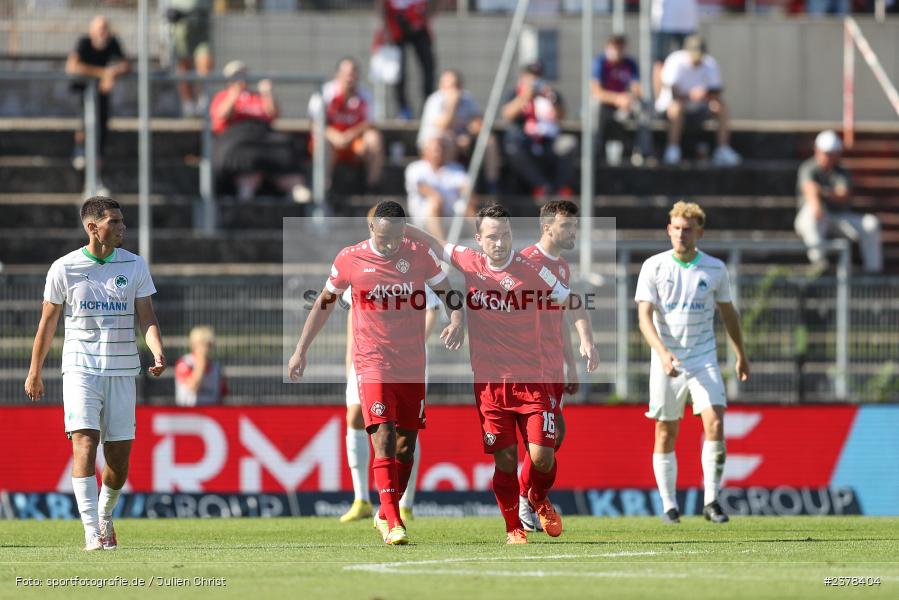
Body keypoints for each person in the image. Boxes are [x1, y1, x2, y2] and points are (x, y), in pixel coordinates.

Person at [406, 204, 599, 544]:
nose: (500, 242)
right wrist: (398, 229)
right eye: (493, 236)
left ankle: (538, 497)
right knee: (506, 460)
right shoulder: (470, 261)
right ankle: (514, 528)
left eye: (506, 235)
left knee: (542, 454)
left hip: (532, 379)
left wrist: (587, 341)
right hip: (490, 384)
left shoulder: (533, 270)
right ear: (479, 239)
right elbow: (435, 245)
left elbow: (574, 302)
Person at [288, 201, 464, 545]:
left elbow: (447, 293)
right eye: (383, 239)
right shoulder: (350, 258)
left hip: (412, 363)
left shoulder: (418, 255)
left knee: (405, 446)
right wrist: (300, 349)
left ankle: (385, 511)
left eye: (396, 238)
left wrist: (457, 319)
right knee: (382, 435)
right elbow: (324, 303)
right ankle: (393, 520)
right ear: (372, 230)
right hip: (372, 361)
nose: (389, 245)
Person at [25, 196, 166, 551]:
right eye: (114, 222)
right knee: (84, 444)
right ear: (93, 227)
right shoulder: (64, 267)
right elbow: (48, 323)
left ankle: (105, 515)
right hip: (80, 370)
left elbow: (146, 316)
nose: (122, 228)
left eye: (121, 221)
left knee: (118, 460)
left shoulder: (134, 265)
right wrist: (35, 371)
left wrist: (158, 349)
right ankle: (91, 530)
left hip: (122, 372)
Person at [635, 201, 750, 525]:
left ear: (699, 232)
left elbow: (729, 314)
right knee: (665, 431)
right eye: (676, 228)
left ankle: (711, 501)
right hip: (666, 358)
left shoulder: (714, 269)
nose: (681, 234)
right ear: (668, 230)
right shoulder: (654, 266)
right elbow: (644, 316)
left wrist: (741, 353)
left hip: (703, 359)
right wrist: (661, 352)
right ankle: (670, 505)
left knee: (715, 421)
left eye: (687, 229)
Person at [338, 206, 440, 524]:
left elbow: (435, 306)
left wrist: (413, 342)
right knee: (359, 417)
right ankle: (361, 499)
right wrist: (348, 357)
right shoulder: (358, 261)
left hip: (408, 357)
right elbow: (353, 313)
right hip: (369, 357)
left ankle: (403, 501)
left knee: (405, 434)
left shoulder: (416, 261)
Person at [517, 200, 580, 532]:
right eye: (567, 226)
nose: (573, 231)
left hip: (555, 366)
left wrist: (571, 364)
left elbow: (562, 322)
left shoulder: (563, 267)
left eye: (574, 226)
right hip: (532, 367)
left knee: (556, 438)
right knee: (543, 446)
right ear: (547, 227)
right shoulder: (526, 262)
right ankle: (527, 496)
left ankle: (529, 493)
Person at [209, 61, 310, 202]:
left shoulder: (257, 96)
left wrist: (267, 92)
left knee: (285, 146)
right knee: (246, 158)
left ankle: (295, 188)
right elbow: (221, 115)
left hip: (262, 137)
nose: (242, 78)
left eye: (244, 75)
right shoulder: (222, 96)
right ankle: (246, 193)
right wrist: (234, 94)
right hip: (237, 138)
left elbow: (274, 114)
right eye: (237, 76)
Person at [794, 130, 882, 275]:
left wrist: (821, 192)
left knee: (871, 224)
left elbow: (843, 194)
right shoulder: (808, 167)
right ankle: (819, 262)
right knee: (812, 212)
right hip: (812, 220)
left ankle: (873, 273)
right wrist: (817, 201)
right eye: (825, 153)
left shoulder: (841, 171)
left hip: (838, 218)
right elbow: (809, 190)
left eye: (832, 153)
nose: (828, 157)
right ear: (817, 150)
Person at [66, 15, 130, 193]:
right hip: (82, 90)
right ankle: (79, 149)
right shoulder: (84, 42)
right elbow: (72, 66)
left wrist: (112, 73)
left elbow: (126, 65)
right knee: (85, 122)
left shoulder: (112, 42)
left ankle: (95, 179)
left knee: (101, 129)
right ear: (92, 30)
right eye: (100, 28)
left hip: (100, 92)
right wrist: (103, 73)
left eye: (106, 28)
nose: (104, 32)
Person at [655, 36, 741, 167]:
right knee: (676, 108)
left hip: (699, 108)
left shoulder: (709, 63)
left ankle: (722, 149)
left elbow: (717, 91)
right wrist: (691, 95)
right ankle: (673, 149)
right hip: (673, 108)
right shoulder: (675, 61)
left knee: (721, 107)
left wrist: (705, 94)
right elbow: (674, 93)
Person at [418, 70, 501, 192]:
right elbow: (442, 126)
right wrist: (452, 105)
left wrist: (469, 133)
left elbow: (479, 123)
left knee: (489, 140)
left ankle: (492, 184)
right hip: (434, 142)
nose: (452, 90)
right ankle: (449, 183)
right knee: (448, 139)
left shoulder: (467, 99)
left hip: (461, 140)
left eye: (455, 85)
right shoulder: (435, 100)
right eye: (448, 86)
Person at [502, 63, 576, 199]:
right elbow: (507, 114)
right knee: (512, 144)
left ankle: (561, 187)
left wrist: (551, 98)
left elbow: (562, 116)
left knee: (568, 144)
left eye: (538, 77)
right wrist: (525, 97)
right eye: (530, 77)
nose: (534, 81)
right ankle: (543, 186)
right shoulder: (515, 93)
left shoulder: (551, 94)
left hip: (549, 141)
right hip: (525, 140)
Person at [310, 58, 384, 192]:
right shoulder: (325, 93)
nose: (350, 77)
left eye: (353, 73)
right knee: (322, 143)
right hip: (332, 142)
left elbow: (370, 123)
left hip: (354, 143)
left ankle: (372, 187)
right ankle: (323, 189)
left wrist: (349, 136)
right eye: (346, 73)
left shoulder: (365, 95)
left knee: (374, 138)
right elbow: (315, 123)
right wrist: (336, 137)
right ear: (337, 74)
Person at [591, 35, 653, 166]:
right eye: (614, 47)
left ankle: (642, 152)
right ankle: (595, 152)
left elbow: (637, 88)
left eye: (620, 48)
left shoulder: (629, 64)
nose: (617, 52)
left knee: (643, 108)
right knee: (595, 107)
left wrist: (629, 98)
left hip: (625, 103)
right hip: (606, 103)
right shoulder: (600, 63)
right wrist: (616, 99)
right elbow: (596, 92)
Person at [405, 135, 475, 239]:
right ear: (425, 151)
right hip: (424, 215)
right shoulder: (415, 168)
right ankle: (442, 246)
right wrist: (438, 198)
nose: (439, 152)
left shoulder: (456, 168)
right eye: (436, 149)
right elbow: (423, 189)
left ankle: (479, 242)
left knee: (467, 205)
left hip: (451, 213)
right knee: (434, 202)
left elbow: (467, 190)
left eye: (442, 148)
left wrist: (468, 198)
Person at [377, 0, 436, 119]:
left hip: (418, 23)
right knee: (399, 70)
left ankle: (428, 105)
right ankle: (403, 107)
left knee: (428, 66)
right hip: (396, 23)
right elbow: (380, 4)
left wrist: (428, 17)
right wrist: (384, 25)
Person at [165, 0, 214, 117]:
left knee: (205, 62)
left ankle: (202, 100)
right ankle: (188, 104)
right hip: (180, 22)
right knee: (183, 64)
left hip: (200, 20)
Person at [650, 0, 698, 101]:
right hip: (664, 22)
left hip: (688, 20)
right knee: (660, 62)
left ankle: (685, 104)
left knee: (689, 62)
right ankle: (659, 105)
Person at [174, 325, 227, 407]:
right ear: (194, 344)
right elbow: (193, 386)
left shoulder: (216, 366)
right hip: (188, 412)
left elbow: (222, 394)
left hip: (212, 411)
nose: (207, 348)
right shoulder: (185, 363)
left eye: (209, 345)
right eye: (203, 344)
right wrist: (201, 363)